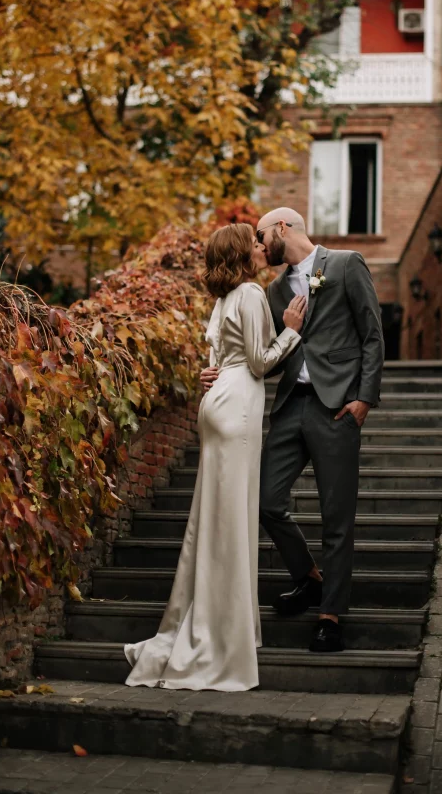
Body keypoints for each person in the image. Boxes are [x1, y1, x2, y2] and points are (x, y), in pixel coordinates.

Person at [124, 223, 306, 692]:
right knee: (232, 524)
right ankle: (223, 639)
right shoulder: (248, 294)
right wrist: (290, 332)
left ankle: (225, 626)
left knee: (216, 521)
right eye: (255, 242)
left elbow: (220, 358)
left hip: (218, 403)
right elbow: (260, 362)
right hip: (237, 408)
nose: (262, 246)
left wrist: (216, 373)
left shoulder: (224, 298)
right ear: (243, 254)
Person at [201, 207, 384, 653]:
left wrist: (364, 398)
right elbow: (262, 353)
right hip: (289, 408)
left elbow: (372, 335)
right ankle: (307, 576)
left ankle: (330, 614)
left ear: (283, 227)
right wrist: (220, 372)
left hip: (336, 408)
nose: (259, 246)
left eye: (262, 236)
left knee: (336, 516)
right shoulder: (273, 289)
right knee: (264, 501)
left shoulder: (345, 264)